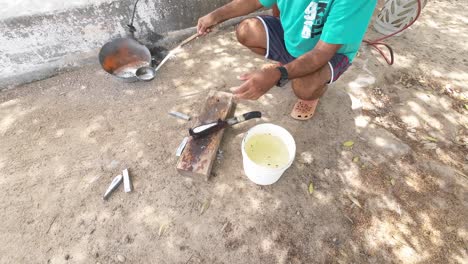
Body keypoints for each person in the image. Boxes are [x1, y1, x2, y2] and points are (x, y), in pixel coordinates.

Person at [197, 0, 377, 120]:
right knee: (246, 31)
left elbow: (321, 52)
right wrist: (216, 16)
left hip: (331, 52)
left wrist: (279, 74)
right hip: (294, 37)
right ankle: (290, 65)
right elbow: (253, 1)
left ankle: (310, 93)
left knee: (305, 88)